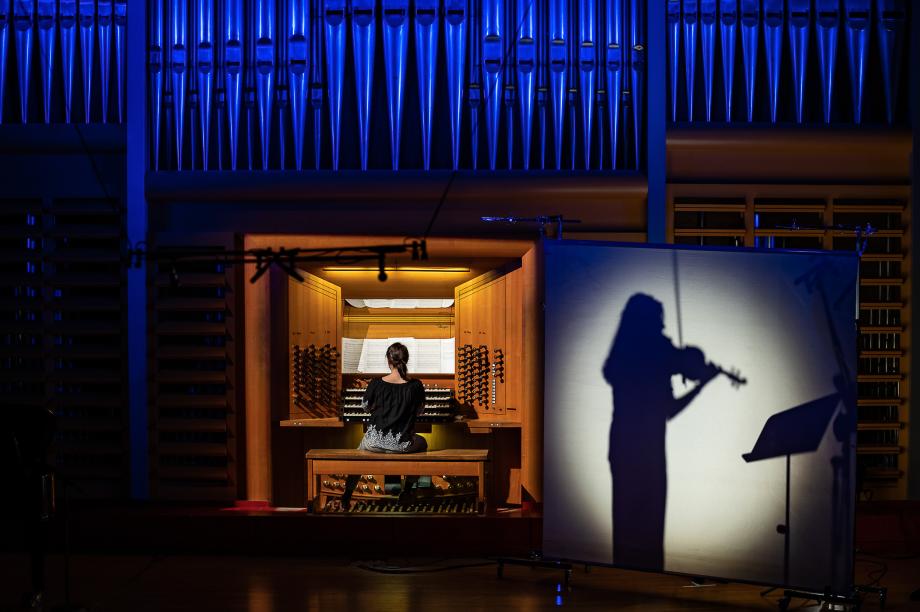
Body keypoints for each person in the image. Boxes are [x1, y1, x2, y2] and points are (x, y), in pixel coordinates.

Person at [604, 293, 721, 572]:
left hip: (623, 446)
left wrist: (694, 377)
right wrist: (701, 383)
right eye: (658, 323)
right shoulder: (655, 354)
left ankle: (625, 577)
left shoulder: (627, 358)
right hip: (647, 451)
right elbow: (670, 410)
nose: (662, 330)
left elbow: (667, 407)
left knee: (627, 521)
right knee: (649, 522)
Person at [341, 342, 427, 509]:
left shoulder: (376, 383)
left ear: (389, 360)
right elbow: (420, 411)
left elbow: (365, 407)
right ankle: (407, 491)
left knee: (360, 451)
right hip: (402, 444)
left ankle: (347, 494)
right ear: (406, 360)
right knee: (423, 442)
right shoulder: (415, 386)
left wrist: (381, 407)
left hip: (374, 443)